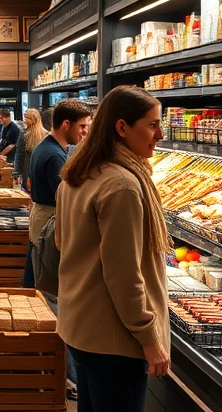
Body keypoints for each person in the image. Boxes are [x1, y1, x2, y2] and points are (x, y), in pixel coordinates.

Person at [55, 86, 171, 411]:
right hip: (115, 338)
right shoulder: (123, 186)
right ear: (121, 128)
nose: (159, 134)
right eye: (151, 125)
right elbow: (123, 275)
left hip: (81, 325)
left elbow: (63, 243)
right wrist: (149, 338)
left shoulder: (77, 175)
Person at [24, 100, 92, 288]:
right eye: (83, 126)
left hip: (40, 218)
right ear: (66, 124)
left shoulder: (45, 146)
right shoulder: (54, 156)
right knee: (47, 284)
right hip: (48, 222)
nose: (85, 132)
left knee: (34, 274)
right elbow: (65, 198)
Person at [13, 108, 48, 192]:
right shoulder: (46, 134)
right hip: (40, 171)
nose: (24, 121)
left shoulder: (24, 134)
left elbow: (19, 155)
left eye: (26, 118)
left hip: (29, 170)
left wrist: (16, 173)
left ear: (33, 120)